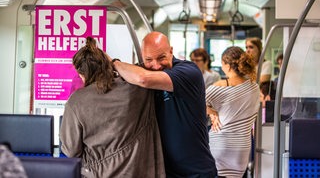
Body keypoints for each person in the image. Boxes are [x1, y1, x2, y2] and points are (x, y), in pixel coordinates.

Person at [111, 31, 217, 177]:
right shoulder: (140, 72)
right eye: (149, 59)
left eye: (161, 58)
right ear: (142, 57)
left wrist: (113, 63)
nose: (156, 65)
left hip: (196, 172)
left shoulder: (188, 71)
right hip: (163, 172)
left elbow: (144, 79)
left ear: (171, 51)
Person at [59, 37, 165, 178]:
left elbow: (71, 151)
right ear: (107, 65)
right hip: (141, 171)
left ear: (81, 74)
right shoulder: (138, 89)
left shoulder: (76, 102)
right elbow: (143, 73)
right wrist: (115, 63)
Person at [206, 46, 260, 177]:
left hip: (220, 143)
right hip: (242, 148)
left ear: (228, 65)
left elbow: (195, 103)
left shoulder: (220, 86)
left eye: (222, 63)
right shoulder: (254, 87)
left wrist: (212, 112)